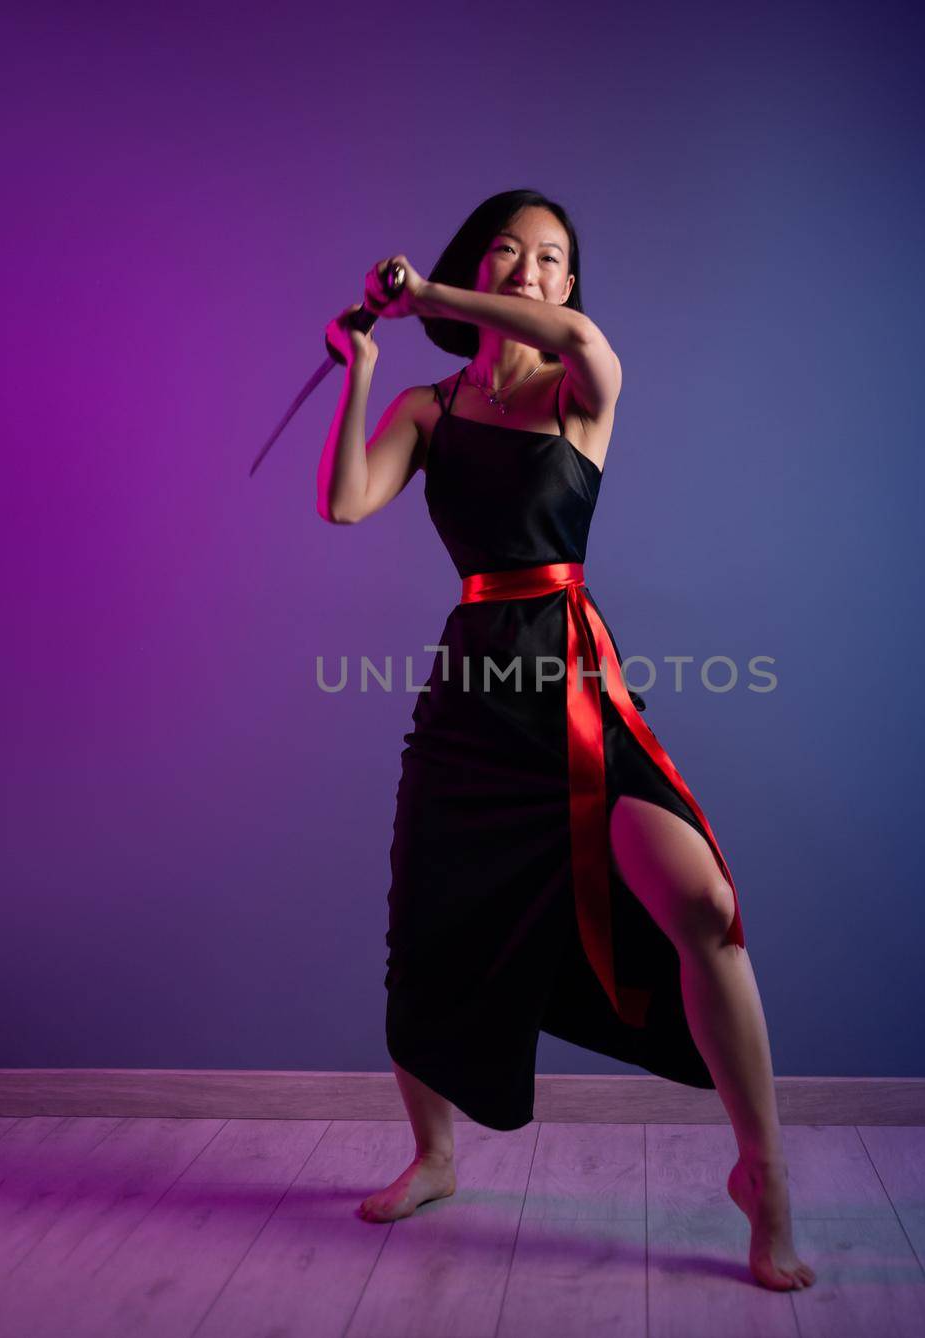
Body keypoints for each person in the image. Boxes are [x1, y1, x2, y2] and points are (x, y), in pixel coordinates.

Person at [317, 189, 814, 1292]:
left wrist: (424, 296)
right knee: (427, 930)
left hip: (575, 687)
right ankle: (434, 1157)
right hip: (472, 700)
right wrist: (360, 374)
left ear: (567, 286)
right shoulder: (430, 408)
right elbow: (347, 503)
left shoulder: (579, 388)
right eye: (512, 249)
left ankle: (765, 1179)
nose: (534, 270)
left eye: (553, 259)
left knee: (704, 908)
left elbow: (584, 339)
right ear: (480, 261)